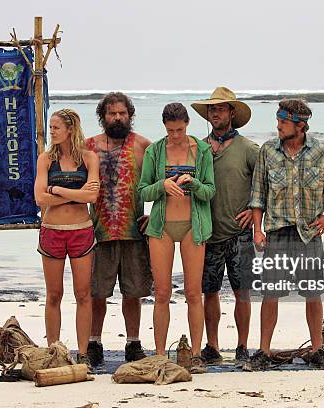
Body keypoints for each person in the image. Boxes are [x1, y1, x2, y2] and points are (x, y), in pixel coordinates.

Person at [245, 99, 324, 371]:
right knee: (271, 294)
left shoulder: (321, 151)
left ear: (300, 126)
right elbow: (257, 195)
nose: (277, 125)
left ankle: (317, 350)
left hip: (309, 235)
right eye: (278, 120)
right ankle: (264, 352)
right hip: (277, 233)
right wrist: (257, 230)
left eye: (283, 121)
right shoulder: (268, 151)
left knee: (313, 294)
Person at [138, 103, 215, 374]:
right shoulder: (155, 150)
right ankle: (160, 354)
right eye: (171, 131)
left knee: (194, 293)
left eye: (180, 130)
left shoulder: (202, 150)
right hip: (162, 227)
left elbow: (210, 191)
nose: (176, 135)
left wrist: (192, 183)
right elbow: (143, 191)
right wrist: (163, 185)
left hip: (194, 225)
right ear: (164, 128)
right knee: (161, 293)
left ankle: (195, 354)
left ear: (187, 125)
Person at [190, 87, 259, 366]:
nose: (215, 113)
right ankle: (212, 345)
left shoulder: (248, 149)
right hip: (208, 232)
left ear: (232, 112)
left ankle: (243, 347)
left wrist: (255, 213)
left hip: (240, 234)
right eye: (211, 109)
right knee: (210, 291)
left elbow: (265, 182)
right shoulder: (199, 148)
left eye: (220, 108)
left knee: (243, 292)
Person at [85, 92, 153, 367]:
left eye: (122, 113)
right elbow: (69, 176)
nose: (117, 118)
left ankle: (133, 343)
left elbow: (163, 181)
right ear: (103, 116)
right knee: (96, 292)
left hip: (134, 232)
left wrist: (156, 215)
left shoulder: (143, 146)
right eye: (112, 113)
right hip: (98, 233)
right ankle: (93, 342)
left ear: (130, 115)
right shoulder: (87, 146)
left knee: (133, 292)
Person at [34, 108, 100, 366]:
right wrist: (77, 192)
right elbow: (40, 198)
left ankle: (83, 353)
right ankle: (54, 351)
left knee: (83, 294)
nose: (52, 132)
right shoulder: (46, 160)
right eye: (50, 127)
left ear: (70, 129)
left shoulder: (88, 158)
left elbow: (92, 196)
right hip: (52, 232)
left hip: (81, 231)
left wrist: (58, 189)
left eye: (56, 128)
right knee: (54, 294)